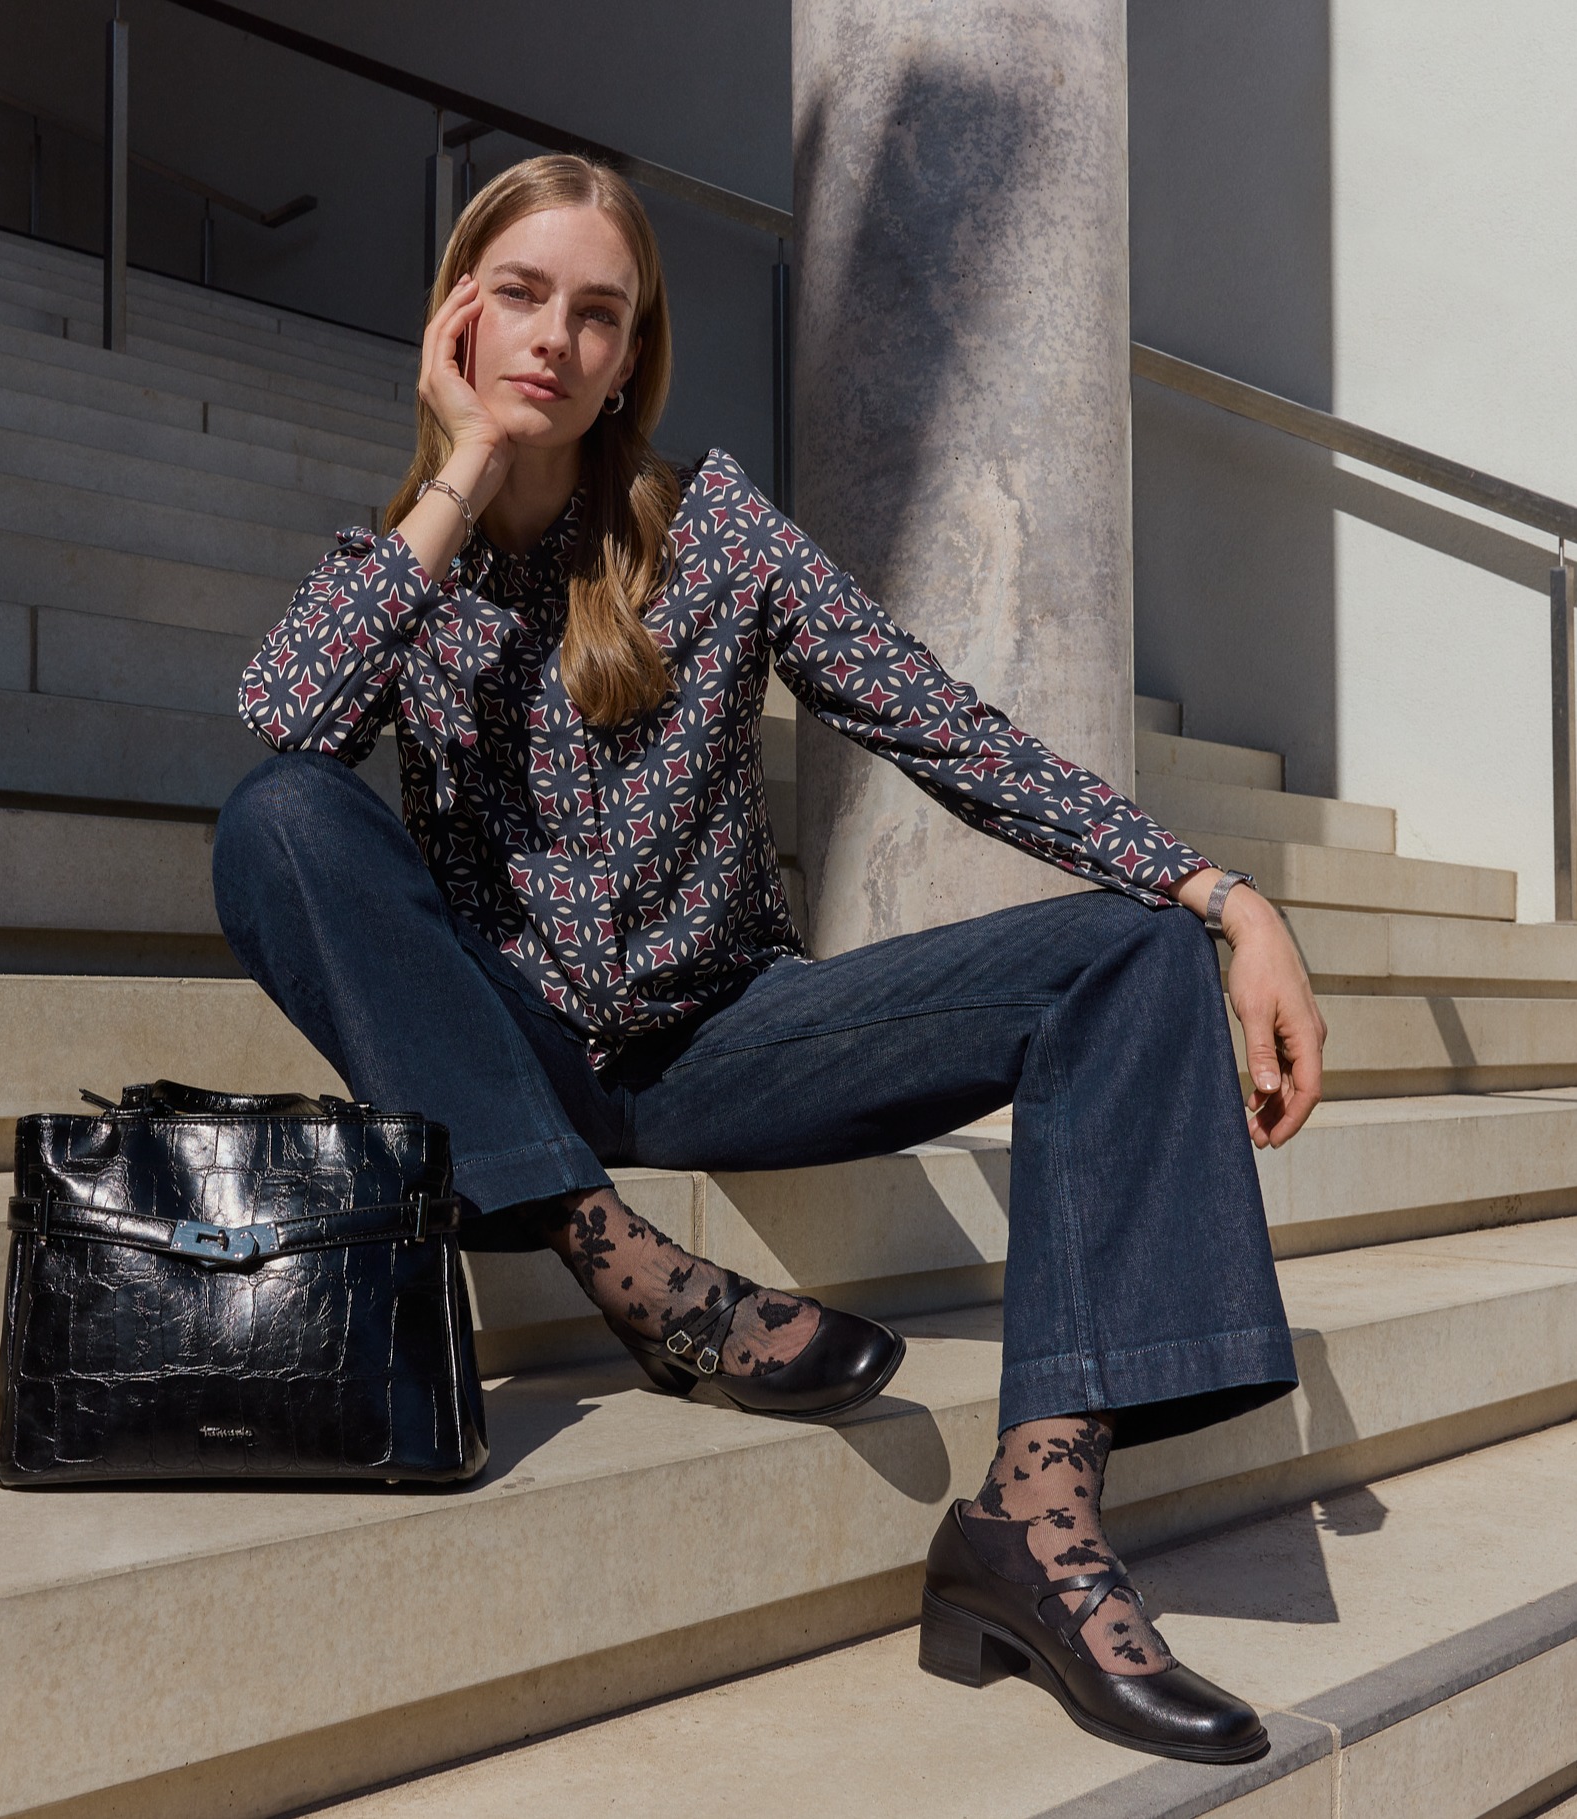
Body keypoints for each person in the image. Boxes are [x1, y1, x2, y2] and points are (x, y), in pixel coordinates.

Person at [214, 154, 1326, 1764]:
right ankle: (622, 1264)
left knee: (1130, 958)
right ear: (458, 313)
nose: (555, 341)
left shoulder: (718, 533)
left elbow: (941, 728)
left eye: (598, 313)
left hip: (732, 1036)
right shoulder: (404, 573)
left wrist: (1224, 894)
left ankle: (1038, 1517)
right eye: (521, 295)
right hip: (512, 1056)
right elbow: (281, 732)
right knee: (279, 820)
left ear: (636, 350)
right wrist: (458, 473)